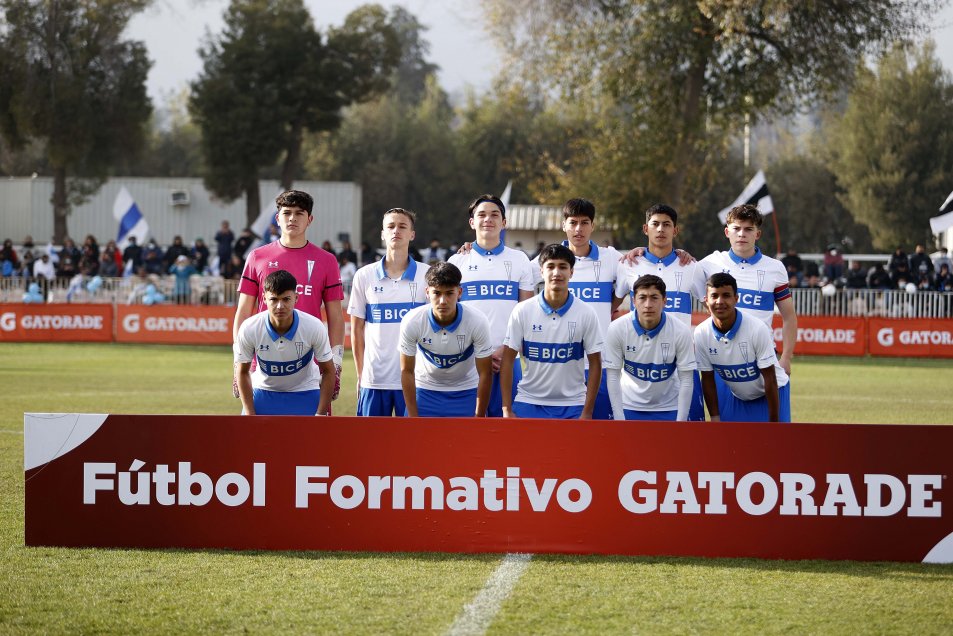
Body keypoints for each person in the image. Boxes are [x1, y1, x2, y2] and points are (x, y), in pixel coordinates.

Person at [233, 190, 345, 405]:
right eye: (287, 213)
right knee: (260, 435)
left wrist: (335, 363)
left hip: (311, 369)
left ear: (309, 219)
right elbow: (244, 311)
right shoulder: (257, 257)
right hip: (263, 368)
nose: (292, 218)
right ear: (278, 218)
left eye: (299, 213)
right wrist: (236, 361)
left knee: (311, 435)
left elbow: (336, 317)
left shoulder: (326, 260)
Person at [531, 198, 624, 419]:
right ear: (564, 225)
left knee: (599, 430)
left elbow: (638, 276)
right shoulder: (548, 260)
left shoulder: (611, 258)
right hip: (560, 364)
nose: (578, 229)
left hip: (600, 361)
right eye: (573, 222)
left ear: (593, 225)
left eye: (584, 223)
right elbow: (519, 279)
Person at [615, 204, 707, 419]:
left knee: (686, 439)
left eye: (667, 225)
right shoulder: (628, 264)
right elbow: (612, 305)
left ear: (675, 231)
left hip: (681, 363)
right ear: (646, 229)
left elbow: (712, 307)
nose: (661, 229)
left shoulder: (691, 266)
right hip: (638, 362)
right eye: (655, 224)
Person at [448, 194, 536, 417]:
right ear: (472, 222)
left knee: (508, 428)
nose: (488, 219)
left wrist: (505, 350)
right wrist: (480, 354)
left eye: (495, 214)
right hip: (467, 360)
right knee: (469, 429)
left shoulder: (519, 259)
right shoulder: (457, 261)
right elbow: (449, 314)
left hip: (508, 357)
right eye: (482, 215)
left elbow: (526, 312)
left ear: (504, 222)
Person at [500, 243, 603, 419]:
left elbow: (596, 363)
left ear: (571, 272)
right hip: (529, 402)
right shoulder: (522, 310)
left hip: (573, 404)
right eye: (551, 266)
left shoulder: (586, 312)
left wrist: (587, 411)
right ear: (541, 271)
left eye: (563, 267)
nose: (556, 273)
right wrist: (506, 409)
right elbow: (508, 360)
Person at [698, 204, 797, 376]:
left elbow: (789, 317)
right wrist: (640, 252)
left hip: (763, 357)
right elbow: (675, 267)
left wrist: (786, 357)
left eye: (748, 229)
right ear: (727, 232)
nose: (742, 234)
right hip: (722, 358)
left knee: (771, 404)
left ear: (757, 234)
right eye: (736, 228)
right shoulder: (709, 264)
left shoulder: (775, 268)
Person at [348, 208, 429, 416]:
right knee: (369, 445)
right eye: (390, 226)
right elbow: (357, 330)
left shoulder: (427, 274)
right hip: (374, 380)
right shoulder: (364, 275)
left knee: (412, 445)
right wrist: (361, 375)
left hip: (415, 380)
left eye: (402, 226)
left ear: (412, 234)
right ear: (383, 234)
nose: (396, 231)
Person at [399, 261, 494, 418]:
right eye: (437, 293)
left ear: (460, 292)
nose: (443, 301)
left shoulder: (477, 320)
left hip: (466, 391)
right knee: (417, 442)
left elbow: (485, 373)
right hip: (425, 390)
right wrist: (413, 418)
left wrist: (479, 416)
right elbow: (406, 371)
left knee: (470, 442)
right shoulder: (412, 320)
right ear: (427, 292)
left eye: (449, 293)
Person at [234, 269, 335, 416]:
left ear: (296, 298)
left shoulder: (314, 326)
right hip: (263, 389)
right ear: (264, 299)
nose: (280, 306)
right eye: (274, 299)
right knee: (250, 438)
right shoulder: (250, 327)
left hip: (305, 390)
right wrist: (249, 413)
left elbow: (328, 371)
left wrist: (320, 414)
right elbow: (242, 372)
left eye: (286, 299)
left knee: (313, 439)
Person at [694, 272, 791, 422]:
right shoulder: (701, 333)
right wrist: (714, 418)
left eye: (726, 295)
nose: (720, 301)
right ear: (706, 301)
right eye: (714, 296)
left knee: (774, 444)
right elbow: (707, 379)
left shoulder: (756, 328)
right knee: (733, 445)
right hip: (739, 397)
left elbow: (770, 378)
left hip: (773, 393)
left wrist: (773, 424)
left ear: (736, 299)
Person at [604, 275, 696, 421]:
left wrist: (681, 422)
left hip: (669, 407)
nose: (648, 304)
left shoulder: (680, 330)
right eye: (642, 298)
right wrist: (619, 417)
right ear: (634, 301)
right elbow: (613, 375)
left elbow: (686, 379)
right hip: (629, 406)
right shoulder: (617, 328)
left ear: (664, 301)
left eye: (654, 297)